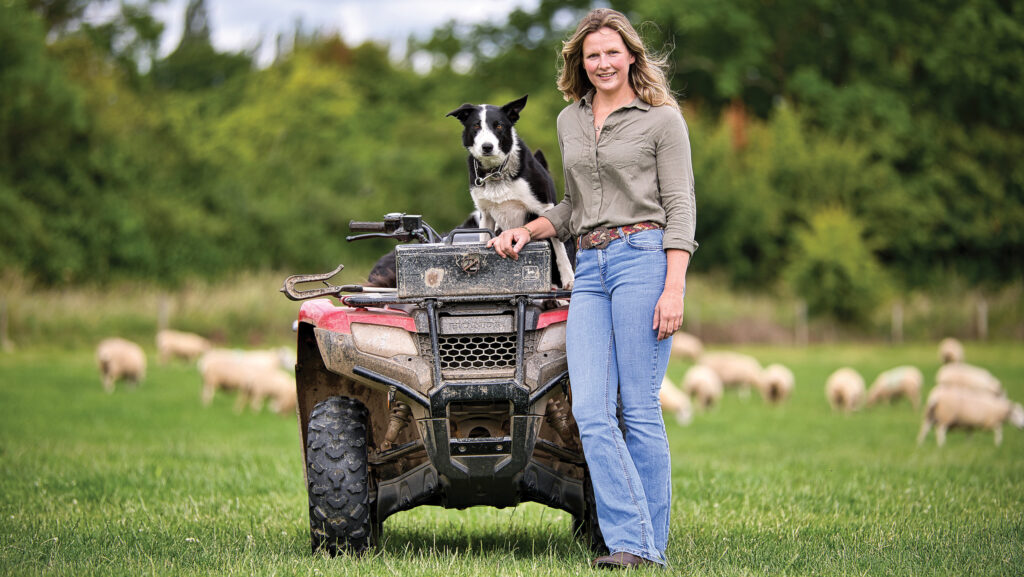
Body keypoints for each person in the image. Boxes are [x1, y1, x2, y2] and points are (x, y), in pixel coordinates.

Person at [488, 7, 697, 570]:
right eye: (592, 55)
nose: (603, 63)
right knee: (591, 410)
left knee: (638, 408)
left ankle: (637, 546)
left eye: (612, 52)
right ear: (579, 63)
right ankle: (636, 542)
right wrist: (526, 231)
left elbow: (680, 208)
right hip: (591, 269)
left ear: (632, 55)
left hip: (644, 261)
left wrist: (673, 286)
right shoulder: (568, 122)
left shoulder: (662, 120)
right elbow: (573, 206)